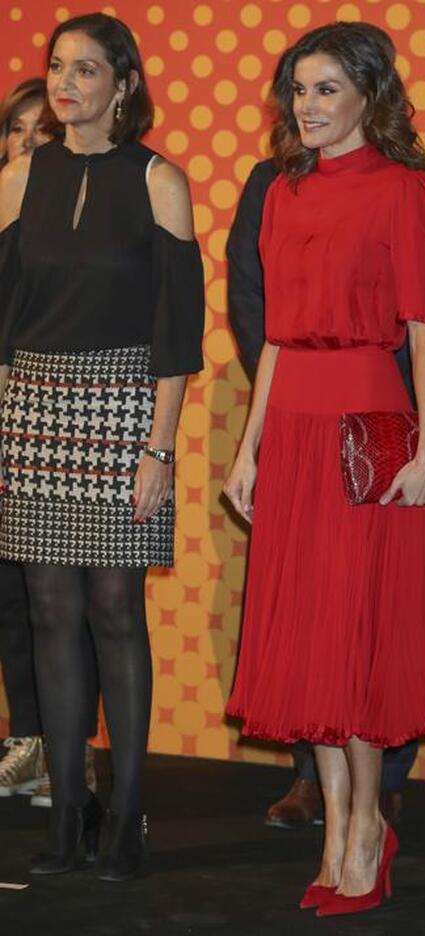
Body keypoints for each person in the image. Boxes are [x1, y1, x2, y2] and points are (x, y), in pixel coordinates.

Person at [224, 22, 425, 916]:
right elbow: (277, 333)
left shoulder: (409, 191)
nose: (308, 107)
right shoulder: (283, 194)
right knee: (312, 641)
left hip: (367, 423)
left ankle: (368, 827)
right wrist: (249, 447)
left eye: (326, 89)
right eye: (298, 90)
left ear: (370, 94)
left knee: (356, 641)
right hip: (292, 427)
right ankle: (332, 830)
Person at [0, 13, 204, 881]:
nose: (66, 80)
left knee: (116, 610)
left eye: (86, 68)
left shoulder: (160, 179)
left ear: (124, 84)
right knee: (48, 611)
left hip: (125, 406)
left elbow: (178, 328)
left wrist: (158, 447)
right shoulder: (14, 178)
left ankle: (125, 816)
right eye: (56, 65)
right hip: (33, 407)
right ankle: (66, 818)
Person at [0, 76, 98, 811]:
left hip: (40, 419)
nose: (29, 142)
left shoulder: (68, 227)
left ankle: (70, 756)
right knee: (11, 600)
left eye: (42, 130)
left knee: (61, 600)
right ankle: (26, 746)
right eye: (17, 129)